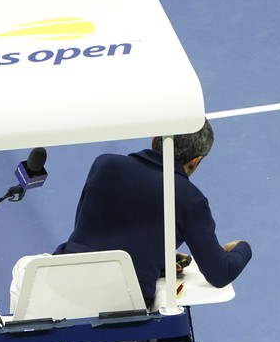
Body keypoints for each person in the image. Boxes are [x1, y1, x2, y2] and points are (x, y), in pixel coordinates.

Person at [54, 118, 252, 307]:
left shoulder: (104, 164)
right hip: (121, 300)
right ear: (195, 161)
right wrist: (243, 248)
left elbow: (88, 231)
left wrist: (156, 257)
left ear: (154, 140)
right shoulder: (190, 199)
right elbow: (219, 273)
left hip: (59, 280)